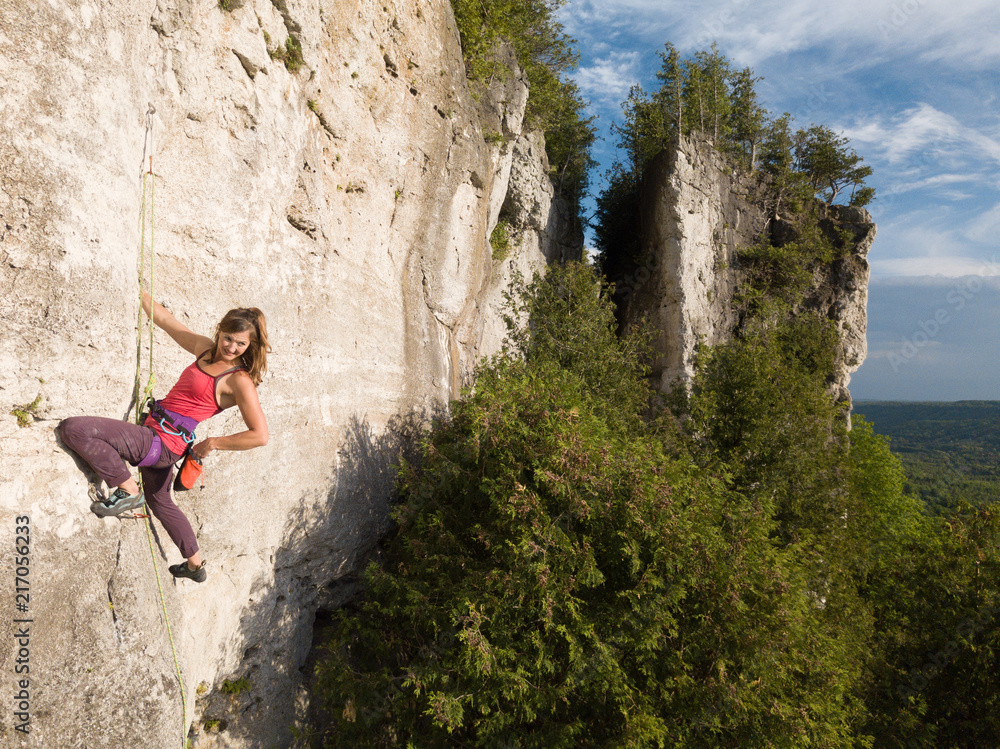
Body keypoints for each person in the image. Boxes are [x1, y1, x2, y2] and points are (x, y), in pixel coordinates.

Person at [59, 292, 270, 583]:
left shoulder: (239, 380)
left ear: (250, 346)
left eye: (240, 344)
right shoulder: (205, 350)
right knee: (159, 501)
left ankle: (127, 490)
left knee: (74, 429)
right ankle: (195, 565)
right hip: (162, 442)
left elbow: (260, 435)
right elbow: (167, 321)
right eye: (228, 338)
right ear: (220, 331)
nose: (231, 347)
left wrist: (212, 443)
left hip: (159, 443)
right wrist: (139, 292)